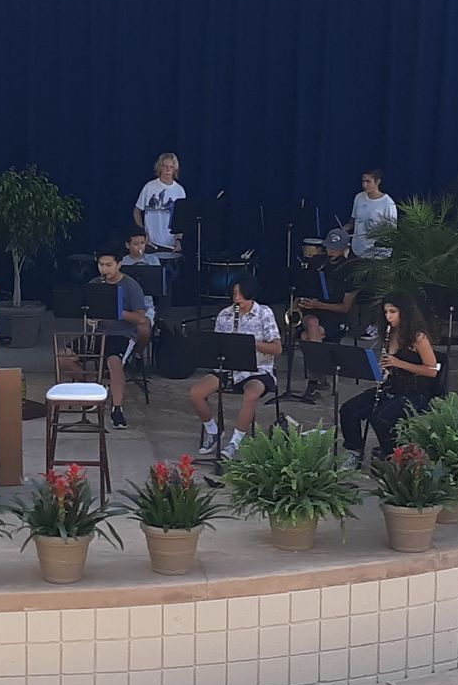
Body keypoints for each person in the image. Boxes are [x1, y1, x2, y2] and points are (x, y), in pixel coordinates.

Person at [189, 276, 280, 460]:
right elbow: (216, 346)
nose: (237, 299)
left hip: (257, 369)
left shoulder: (264, 313)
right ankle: (213, 431)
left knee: (251, 394)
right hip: (227, 368)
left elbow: (277, 348)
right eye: (235, 294)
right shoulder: (225, 314)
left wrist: (250, 343)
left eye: (242, 295)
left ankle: (234, 443)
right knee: (196, 393)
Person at [340, 292, 440, 454]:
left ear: (404, 312)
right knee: (349, 410)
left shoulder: (418, 338)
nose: (388, 316)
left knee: (380, 418)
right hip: (392, 386)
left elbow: (432, 371)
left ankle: (392, 455)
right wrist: (384, 371)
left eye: (393, 312)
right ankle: (354, 450)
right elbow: (389, 365)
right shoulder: (389, 333)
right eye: (386, 312)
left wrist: (398, 363)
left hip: (415, 392)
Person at [89, 249, 151, 428]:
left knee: (114, 362)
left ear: (119, 264)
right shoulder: (94, 284)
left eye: (109, 265)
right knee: (66, 357)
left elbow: (141, 318)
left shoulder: (130, 286)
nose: (104, 269)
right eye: (101, 265)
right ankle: (97, 391)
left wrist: (116, 312)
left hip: (122, 333)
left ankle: (117, 408)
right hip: (99, 333)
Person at [295, 226, 359, 400]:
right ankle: (316, 382)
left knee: (306, 337)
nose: (331, 251)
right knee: (312, 324)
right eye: (329, 247)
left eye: (335, 248)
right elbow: (303, 285)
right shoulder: (318, 262)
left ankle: (317, 381)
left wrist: (319, 304)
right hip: (313, 311)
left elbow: (345, 307)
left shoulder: (351, 269)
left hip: (334, 315)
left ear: (345, 248)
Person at [134, 152, 186, 258]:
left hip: (170, 245)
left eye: (171, 167)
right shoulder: (149, 187)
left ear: (174, 169)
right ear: (160, 167)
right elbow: (137, 212)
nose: (168, 170)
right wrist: (142, 233)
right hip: (150, 244)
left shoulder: (179, 190)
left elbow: (183, 220)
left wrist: (178, 240)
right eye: (165, 166)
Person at [350, 169, 397, 260]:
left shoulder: (387, 203)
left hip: (378, 254)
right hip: (358, 250)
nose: (364, 185)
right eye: (363, 181)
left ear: (378, 182)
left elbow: (391, 231)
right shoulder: (359, 197)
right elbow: (354, 218)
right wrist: (346, 228)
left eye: (368, 182)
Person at [118, 230, 162, 326]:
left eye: (142, 243)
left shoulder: (153, 259)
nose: (140, 247)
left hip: (146, 305)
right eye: (135, 244)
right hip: (126, 305)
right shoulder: (122, 262)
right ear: (127, 245)